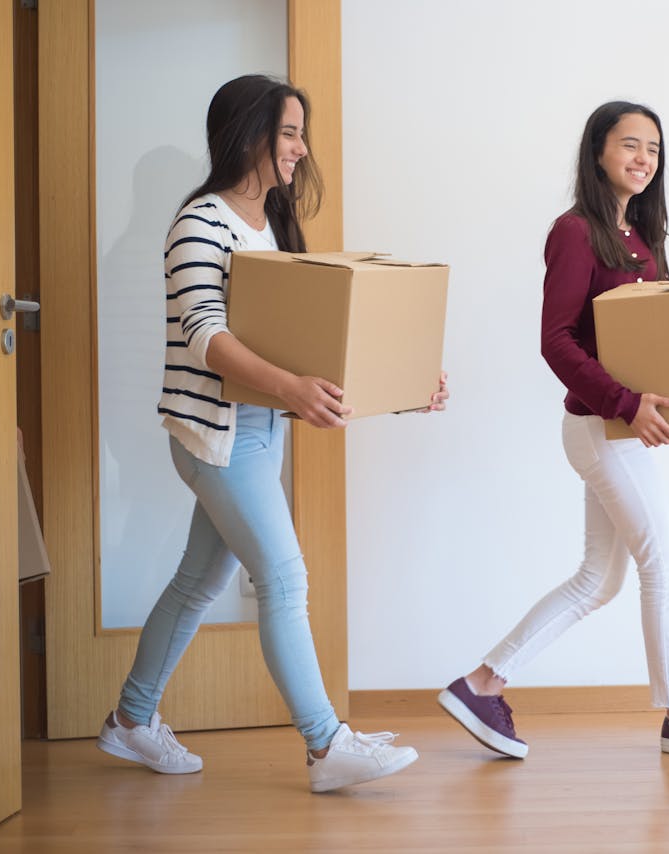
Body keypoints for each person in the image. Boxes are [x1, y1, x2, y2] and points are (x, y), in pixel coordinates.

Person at [97, 75, 447, 793]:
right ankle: (327, 745)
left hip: (257, 430)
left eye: (300, 133)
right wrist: (290, 388)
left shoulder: (271, 226)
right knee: (283, 579)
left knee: (197, 582)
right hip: (217, 435)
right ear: (248, 135)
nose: (301, 148)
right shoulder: (201, 222)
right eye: (289, 133)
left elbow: (308, 341)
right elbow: (204, 335)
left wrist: (407, 388)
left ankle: (131, 721)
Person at [438, 101, 669, 762]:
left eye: (654, 149)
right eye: (630, 145)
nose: (643, 158)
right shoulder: (575, 232)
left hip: (621, 431)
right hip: (601, 428)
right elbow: (556, 342)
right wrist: (626, 401)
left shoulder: (641, 237)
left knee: (596, 581)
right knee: (665, 563)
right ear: (599, 151)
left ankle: (481, 683)